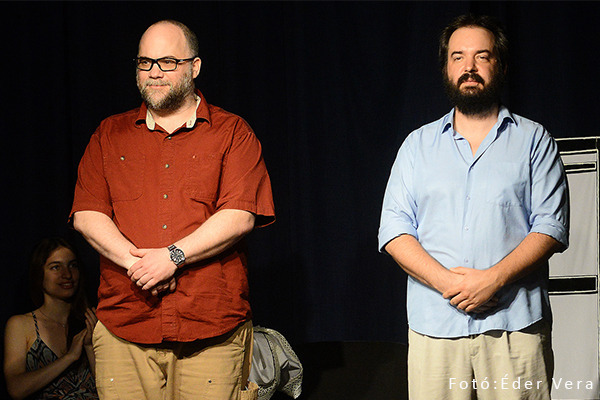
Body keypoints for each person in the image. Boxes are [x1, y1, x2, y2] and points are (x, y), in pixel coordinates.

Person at [70, 19, 275, 400]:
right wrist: (140, 266)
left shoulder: (232, 132)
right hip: (125, 326)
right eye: (145, 62)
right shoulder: (109, 134)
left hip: (210, 329)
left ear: (194, 67)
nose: (154, 73)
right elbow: (87, 213)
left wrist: (172, 257)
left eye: (167, 62)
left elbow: (240, 214)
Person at [378, 14, 569, 400]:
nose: (469, 67)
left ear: (501, 65)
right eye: (458, 57)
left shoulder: (534, 141)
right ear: (446, 68)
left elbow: (550, 226)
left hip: (514, 327)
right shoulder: (417, 146)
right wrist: (448, 283)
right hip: (435, 328)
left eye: (482, 56)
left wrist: (493, 279)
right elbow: (394, 231)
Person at [3, 237, 98, 400]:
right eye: (56, 267)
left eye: (72, 265)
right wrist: (69, 357)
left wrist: (90, 347)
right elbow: (16, 388)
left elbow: (110, 387)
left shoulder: (91, 320)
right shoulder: (21, 324)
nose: (67, 274)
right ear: (39, 274)